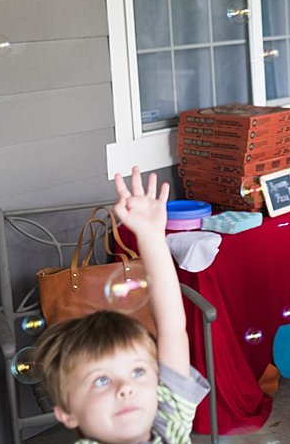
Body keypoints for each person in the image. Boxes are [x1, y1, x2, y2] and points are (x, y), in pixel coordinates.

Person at [35, 167, 210, 444]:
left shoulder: (168, 421)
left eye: (138, 372)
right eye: (101, 380)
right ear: (68, 413)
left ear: (159, 386)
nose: (126, 388)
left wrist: (152, 236)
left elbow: (172, 329)